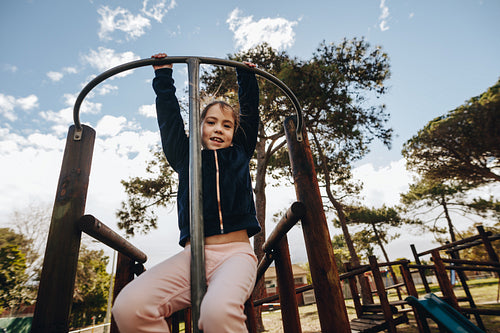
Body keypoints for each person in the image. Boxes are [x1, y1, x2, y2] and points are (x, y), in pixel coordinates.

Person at [112, 53, 261, 333]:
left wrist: (246, 76)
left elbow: (250, 111)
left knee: (217, 313)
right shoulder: (185, 157)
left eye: (226, 125)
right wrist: (163, 75)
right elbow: (169, 120)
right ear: (199, 127)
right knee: (129, 307)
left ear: (234, 132)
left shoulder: (239, 153)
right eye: (211, 122)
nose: (218, 129)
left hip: (235, 256)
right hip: (193, 257)